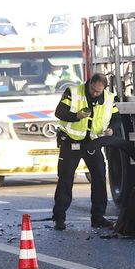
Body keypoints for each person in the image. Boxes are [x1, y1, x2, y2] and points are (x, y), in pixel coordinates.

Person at [51, 73, 117, 230]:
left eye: (98, 92)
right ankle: (59, 218)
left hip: (93, 143)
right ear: (89, 84)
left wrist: (112, 129)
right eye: (93, 90)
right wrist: (76, 116)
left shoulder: (108, 98)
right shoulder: (73, 92)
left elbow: (117, 118)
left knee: (100, 178)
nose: (95, 94)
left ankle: (98, 217)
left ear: (104, 89)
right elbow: (59, 112)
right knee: (65, 179)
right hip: (71, 141)